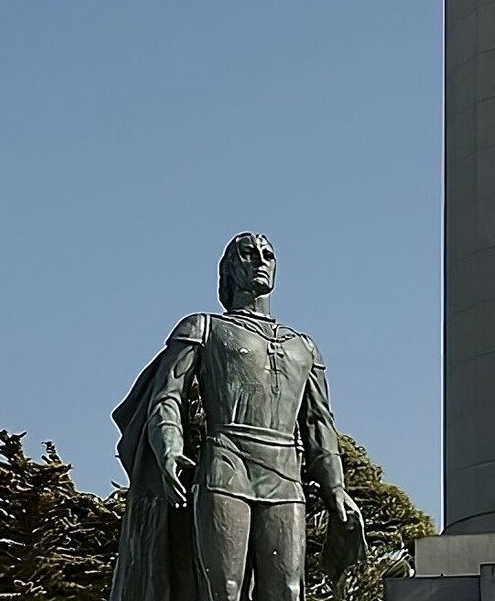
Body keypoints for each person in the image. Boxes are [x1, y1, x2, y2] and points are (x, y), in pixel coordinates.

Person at [110, 232, 363, 601]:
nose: (260, 260)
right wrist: (168, 447)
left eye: (268, 254)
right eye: (248, 254)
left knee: (287, 591)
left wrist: (335, 487)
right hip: (227, 468)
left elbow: (319, 424)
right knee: (224, 590)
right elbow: (167, 398)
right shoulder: (203, 327)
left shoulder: (303, 346)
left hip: (285, 476)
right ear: (229, 269)